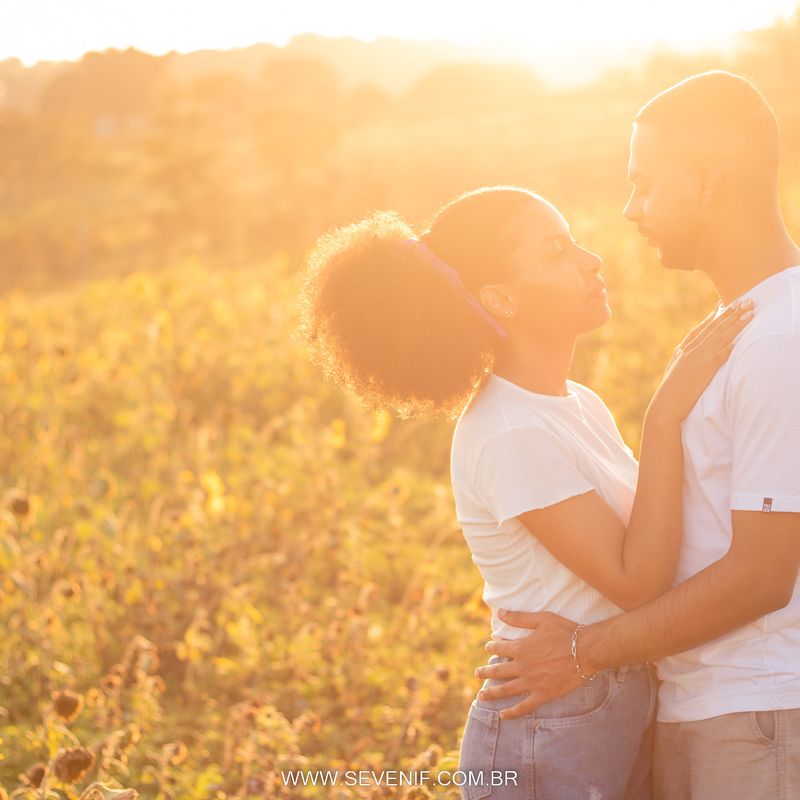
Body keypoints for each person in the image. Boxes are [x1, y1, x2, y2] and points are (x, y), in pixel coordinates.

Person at [298, 183, 751, 799]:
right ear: (501, 299)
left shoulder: (575, 404)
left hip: (604, 701)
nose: (589, 260)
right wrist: (665, 415)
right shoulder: (510, 430)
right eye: (556, 252)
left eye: (574, 244)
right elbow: (637, 580)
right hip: (549, 725)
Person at [473, 72, 800, 800]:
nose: (629, 210)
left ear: (708, 183)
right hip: (702, 707)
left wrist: (583, 652)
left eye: (645, 185)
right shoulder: (737, 331)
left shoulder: (780, 338)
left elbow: (762, 573)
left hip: (755, 715)